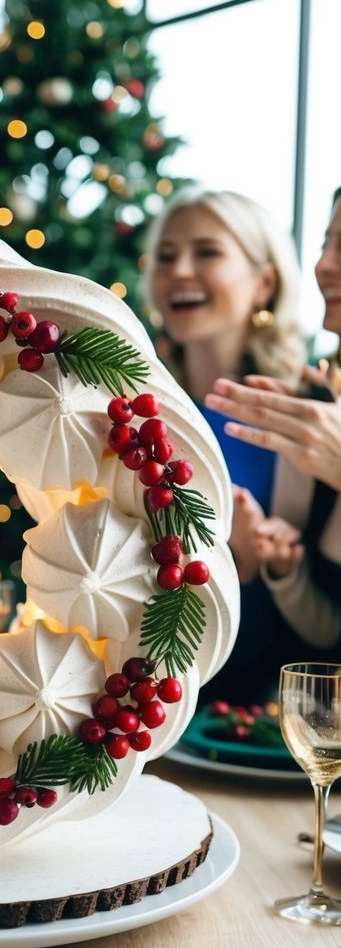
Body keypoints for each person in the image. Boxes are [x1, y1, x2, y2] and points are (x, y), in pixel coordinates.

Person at [143, 188, 308, 703]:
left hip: (249, 715)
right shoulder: (137, 413)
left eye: (207, 252)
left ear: (264, 283)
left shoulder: (305, 418)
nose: (180, 270)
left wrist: (253, 572)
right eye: (166, 256)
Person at [204, 185, 341, 655]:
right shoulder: (319, 406)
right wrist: (281, 571)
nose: (323, 265)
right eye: (326, 243)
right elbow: (325, 637)